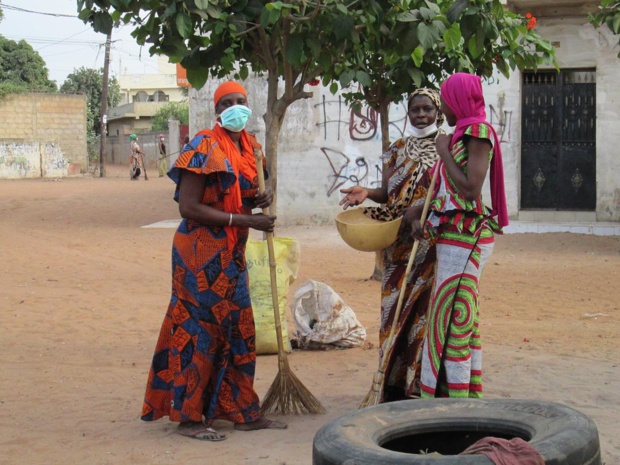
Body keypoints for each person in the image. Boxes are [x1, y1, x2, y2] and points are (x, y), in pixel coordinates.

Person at [141, 81, 287, 440]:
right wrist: (244, 219)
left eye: (242, 101)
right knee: (200, 331)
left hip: (233, 251)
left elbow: (240, 196)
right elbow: (188, 206)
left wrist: (258, 200)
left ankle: (241, 410)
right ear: (217, 110)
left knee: (239, 327)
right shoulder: (203, 146)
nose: (237, 108)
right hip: (199, 254)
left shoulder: (250, 146)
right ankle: (189, 417)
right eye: (229, 103)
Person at [339, 88, 444, 401]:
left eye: (427, 109)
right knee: (393, 312)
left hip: (429, 244)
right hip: (397, 244)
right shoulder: (397, 149)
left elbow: (450, 196)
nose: (421, 115)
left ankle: (420, 385)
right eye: (416, 110)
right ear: (408, 113)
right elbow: (389, 193)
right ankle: (394, 384)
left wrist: (424, 216)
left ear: (437, 112)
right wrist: (367, 193)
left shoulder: (447, 149)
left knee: (423, 314)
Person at [411, 73, 509, 398]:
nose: (444, 108)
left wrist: (443, 152)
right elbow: (440, 190)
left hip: (467, 238)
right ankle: (448, 392)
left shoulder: (477, 132)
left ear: (458, 100)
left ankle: (460, 399)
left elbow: (469, 189)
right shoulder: (457, 135)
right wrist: (415, 215)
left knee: (456, 317)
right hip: (452, 237)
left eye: (446, 100)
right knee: (450, 314)